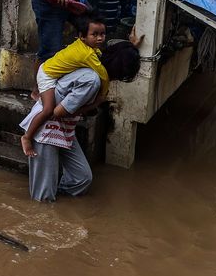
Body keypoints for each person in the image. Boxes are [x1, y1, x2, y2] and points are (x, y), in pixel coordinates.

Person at [20, 38, 143, 202]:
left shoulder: (93, 63)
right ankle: (43, 211)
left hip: (64, 128)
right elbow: (57, 112)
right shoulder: (93, 80)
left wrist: (132, 46)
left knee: (81, 178)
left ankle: (57, 203)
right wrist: (96, 104)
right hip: (47, 127)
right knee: (43, 197)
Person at [20, 13, 108, 157]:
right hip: (47, 74)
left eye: (102, 34)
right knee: (48, 110)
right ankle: (27, 137)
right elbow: (103, 74)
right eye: (95, 34)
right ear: (82, 36)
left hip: (55, 73)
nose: (99, 38)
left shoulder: (89, 48)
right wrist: (103, 94)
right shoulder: (86, 55)